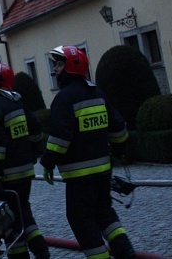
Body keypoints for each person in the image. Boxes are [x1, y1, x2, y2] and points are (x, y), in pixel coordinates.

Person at [40, 45, 135, 259]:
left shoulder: (64, 99)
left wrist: (47, 162)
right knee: (104, 212)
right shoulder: (97, 93)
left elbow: (59, 140)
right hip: (103, 172)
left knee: (80, 220)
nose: (55, 69)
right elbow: (119, 129)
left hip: (79, 178)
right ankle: (125, 250)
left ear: (71, 66)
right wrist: (119, 150)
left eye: (59, 64)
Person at [0, 63, 50, 259]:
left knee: (11, 218)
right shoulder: (16, 102)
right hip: (25, 172)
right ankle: (33, 250)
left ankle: (38, 249)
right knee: (21, 210)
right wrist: (32, 151)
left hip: (8, 175)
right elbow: (36, 129)